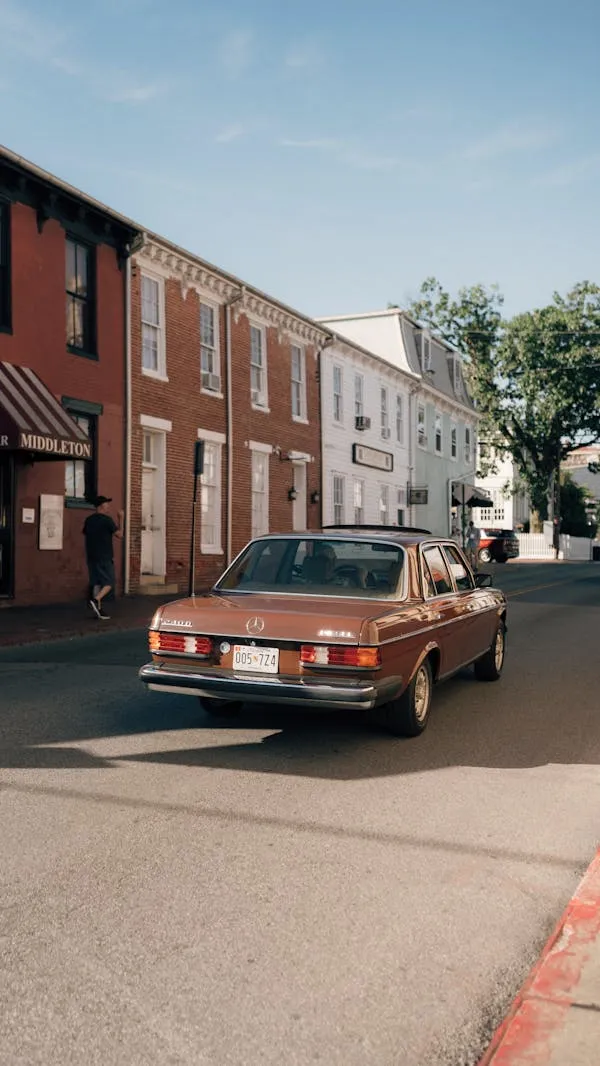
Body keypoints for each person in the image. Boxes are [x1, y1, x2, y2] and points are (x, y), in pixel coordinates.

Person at [83, 496, 124, 619]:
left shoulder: (89, 520)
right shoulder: (107, 520)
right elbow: (120, 535)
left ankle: (98, 610)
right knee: (109, 582)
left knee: (96, 582)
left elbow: (86, 534)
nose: (108, 507)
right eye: (106, 505)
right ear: (101, 506)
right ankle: (96, 600)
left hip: (91, 556)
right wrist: (121, 518)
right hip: (104, 556)